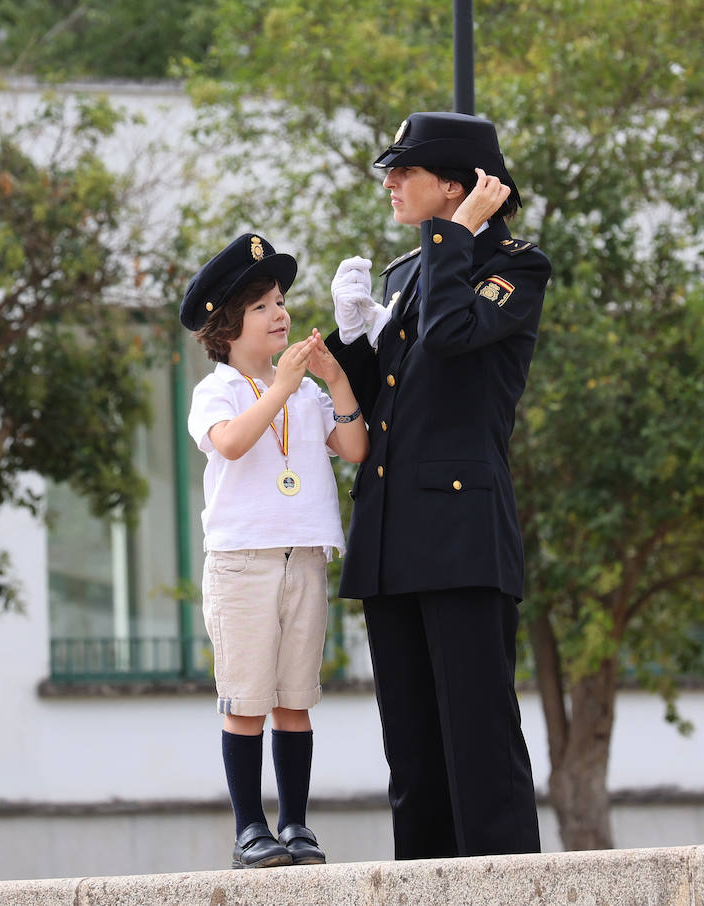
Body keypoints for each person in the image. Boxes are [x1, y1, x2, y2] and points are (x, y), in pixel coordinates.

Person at [324, 111, 549, 859]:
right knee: (414, 758)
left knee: (479, 747)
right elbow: (386, 404)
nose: (389, 183)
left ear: (459, 187)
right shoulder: (412, 272)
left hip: (461, 537)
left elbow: (453, 338)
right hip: (394, 536)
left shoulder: (515, 267)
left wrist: (455, 236)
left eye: (406, 171)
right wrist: (353, 340)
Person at [180, 233, 368, 869]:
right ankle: (248, 828)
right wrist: (283, 388)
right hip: (242, 564)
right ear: (226, 327)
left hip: (304, 558)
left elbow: (355, 449)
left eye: (281, 300)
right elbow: (230, 443)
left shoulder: (308, 394)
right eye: (261, 305)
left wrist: (335, 380)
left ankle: (295, 824)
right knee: (246, 699)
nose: (280, 313)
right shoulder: (221, 389)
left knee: (295, 699)